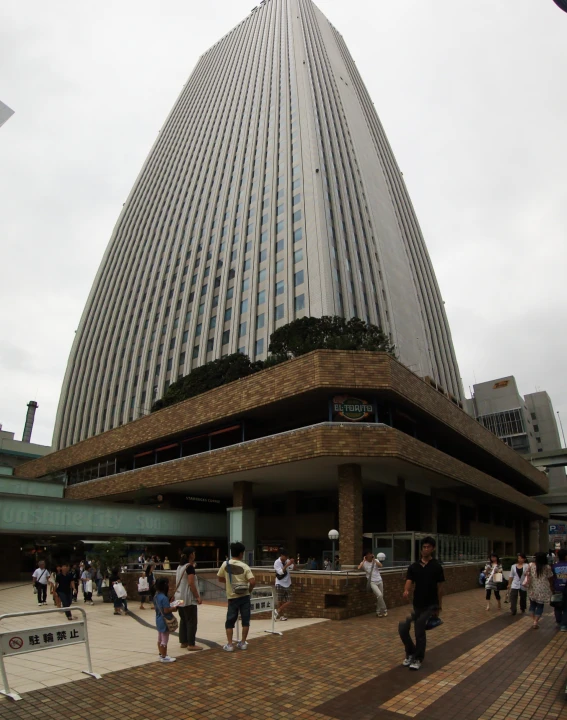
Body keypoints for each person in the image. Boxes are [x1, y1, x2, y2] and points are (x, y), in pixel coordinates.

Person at [398, 536, 445, 672]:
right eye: (423, 547)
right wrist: (406, 590)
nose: (425, 549)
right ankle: (411, 652)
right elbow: (409, 580)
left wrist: (439, 607)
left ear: (433, 549)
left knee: (419, 627)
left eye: (428, 547)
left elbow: (440, 588)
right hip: (417, 604)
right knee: (402, 627)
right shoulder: (414, 566)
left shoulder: (436, 566)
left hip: (431, 605)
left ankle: (418, 658)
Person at [217, 541, 255, 652]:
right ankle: (243, 643)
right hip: (245, 597)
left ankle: (229, 645)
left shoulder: (225, 564)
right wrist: (249, 590)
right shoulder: (245, 566)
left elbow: (219, 578)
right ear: (241, 553)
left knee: (230, 621)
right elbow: (252, 581)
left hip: (232, 597)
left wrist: (229, 582)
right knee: (245, 620)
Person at [175, 549, 203, 651]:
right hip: (188, 599)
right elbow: (191, 583)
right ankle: (191, 644)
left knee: (183, 620)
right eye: (194, 553)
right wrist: (197, 597)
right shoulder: (189, 567)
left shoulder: (179, 567)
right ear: (191, 555)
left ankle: (184, 642)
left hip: (179, 598)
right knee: (191, 620)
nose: (195, 555)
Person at [524, 551, 554, 629]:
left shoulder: (531, 565)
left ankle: (533, 620)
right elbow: (550, 577)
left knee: (532, 605)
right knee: (540, 606)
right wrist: (551, 587)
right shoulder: (547, 567)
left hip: (532, 588)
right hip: (543, 589)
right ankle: (536, 621)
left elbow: (526, 574)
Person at [154, 577, 178, 663]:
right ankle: (164, 656)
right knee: (165, 639)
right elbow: (166, 610)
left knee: (160, 637)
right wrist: (174, 608)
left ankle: (161, 654)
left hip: (158, 618)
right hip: (165, 620)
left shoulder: (156, 595)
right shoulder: (163, 598)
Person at [358, 550, 387, 618]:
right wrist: (363, 561)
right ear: (365, 556)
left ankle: (378, 612)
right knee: (379, 595)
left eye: (370, 554)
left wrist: (374, 560)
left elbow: (381, 566)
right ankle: (384, 609)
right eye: (368, 554)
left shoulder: (375, 560)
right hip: (372, 582)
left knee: (380, 597)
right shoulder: (364, 563)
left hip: (379, 580)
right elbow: (359, 568)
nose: (370, 555)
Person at [274, 549, 294, 621]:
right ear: (281, 555)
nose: (286, 558)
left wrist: (292, 563)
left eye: (287, 556)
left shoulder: (287, 561)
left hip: (288, 583)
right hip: (279, 583)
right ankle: (281, 616)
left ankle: (278, 610)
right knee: (280, 601)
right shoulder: (277, 562)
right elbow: (280, 572)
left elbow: (293, 568)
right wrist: (287, 565)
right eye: (285, 556)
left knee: (290, 600)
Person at [552, 548, 567, 629]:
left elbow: (552, 577)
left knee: (557, 605)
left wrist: (552, 588)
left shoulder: (555, 566)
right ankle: (564, 625)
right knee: (566, 607)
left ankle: (558, 621)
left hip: (557, 588)